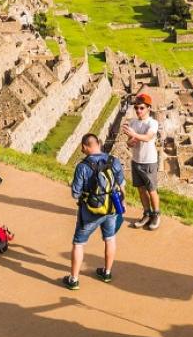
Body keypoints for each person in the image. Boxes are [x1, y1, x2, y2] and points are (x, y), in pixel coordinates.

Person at [63, 134, 126, 290]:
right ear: (98, 143)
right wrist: (122, 203)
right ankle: (106, 272)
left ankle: (74, 279)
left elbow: (75, 194)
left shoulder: (82, 166)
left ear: (85, 147)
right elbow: (122, 184)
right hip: (111, 207)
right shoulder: (113, 161)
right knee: (110, 239)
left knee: (78, 243)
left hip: (90, 211)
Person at [122, 93, 161, 230]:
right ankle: (147, 213)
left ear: (148, 108)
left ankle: (156, 215)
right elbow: (130, 144)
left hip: (149, 161)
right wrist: (131, 139)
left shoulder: (152, 123)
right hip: (136, 160)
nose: (138, 110)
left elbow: (148, 137)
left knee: (152, 190)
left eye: (142, 108)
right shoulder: (133, 122)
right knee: (141, 189)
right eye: (136, 108)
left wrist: (133, 135)